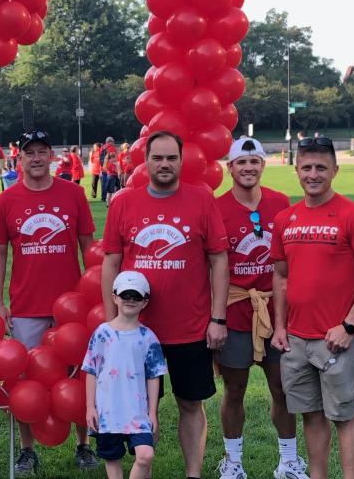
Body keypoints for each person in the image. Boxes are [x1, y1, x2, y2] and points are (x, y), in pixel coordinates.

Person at [100, 131, 229, 479]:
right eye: (157, 157)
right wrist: (111, 324)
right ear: (146, 161)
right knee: (139, 407)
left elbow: (218, 259)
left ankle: (193, 473)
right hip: (137, 331)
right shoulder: (125, 202)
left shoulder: (201, 199)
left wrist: (218, 317)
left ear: (182, 161)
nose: (165, 164)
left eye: (172, 157)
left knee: (191, 403)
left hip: (190, 327)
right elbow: (111, 262)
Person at [269, 136, 354, 479]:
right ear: (296, 171)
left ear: (335, 170)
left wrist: (349, 325)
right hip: (296, 339)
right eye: (307, 167)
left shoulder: (351, 215)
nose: (313, 174)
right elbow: (280, 277)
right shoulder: (285, 219)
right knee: (311, 414)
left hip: (336, 337)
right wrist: (279, 326)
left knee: (343, 415)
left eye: (321, 167)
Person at [0, 129, 98, 473]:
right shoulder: (6, 201)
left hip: (71, 306)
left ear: (53, 156)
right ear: (18, 158)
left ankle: (83, 445)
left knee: (80, 375)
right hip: (25, 306)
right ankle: (27, 449)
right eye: (28, 152)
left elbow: (88, 246)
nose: (35, 158)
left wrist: (92, 298)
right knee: (24, 380)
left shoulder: (74, 194)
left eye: (41, 151)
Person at [213, 138, 307, 479]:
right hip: (237, 308)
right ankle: (233, 462)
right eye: (241, 162)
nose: (248, 167)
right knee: (234, 389)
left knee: (283, 388)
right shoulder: (217, 207)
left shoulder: (281, 203)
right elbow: (213, 265)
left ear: (263, 166)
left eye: (254, 161)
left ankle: (288, 462)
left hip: (276, 310)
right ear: (230, 168)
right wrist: (216, 318)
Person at [83, 272, 167, 479]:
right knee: (112, 460)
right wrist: (90, 407)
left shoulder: (149, 337)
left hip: (138, 412)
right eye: (125, 295)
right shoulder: (102, 333)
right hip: (107, 410)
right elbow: (91, 371)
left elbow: (154, 376)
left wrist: (153, 412)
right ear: (114, 298)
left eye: (136, 296)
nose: (130, 300)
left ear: (145, 302)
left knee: (145, 456)